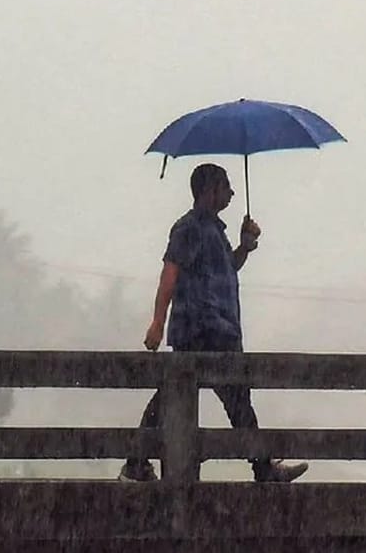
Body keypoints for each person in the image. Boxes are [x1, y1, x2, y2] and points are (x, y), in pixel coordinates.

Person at [118, 163, 309, 483]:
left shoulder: (214, 232)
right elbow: (170, 273)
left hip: (217, 329)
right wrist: (157, 322)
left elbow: (225, 270)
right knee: (214, 400)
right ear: (209, 191)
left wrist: (245, 247)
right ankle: (262, 468)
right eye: (226, 187)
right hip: (202, 329)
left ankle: (137, 462)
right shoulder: (189, 228)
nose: (232, 193)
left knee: (180, 398)